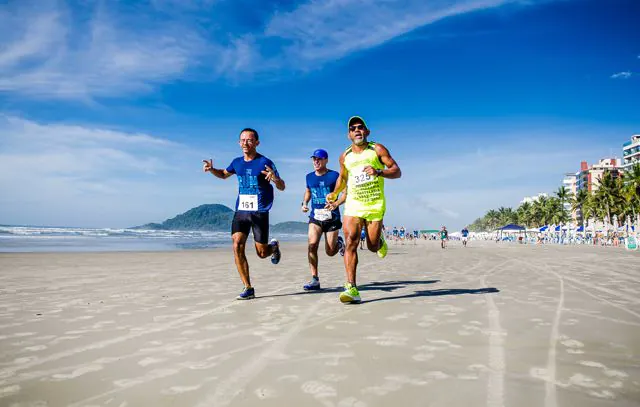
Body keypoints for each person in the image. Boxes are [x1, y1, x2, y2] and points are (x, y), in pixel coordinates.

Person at [202, 128, 285, 300]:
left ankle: (273, 247)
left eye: (249, 140)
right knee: (237, 244)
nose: (245, 143)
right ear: (239, 143)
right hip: (241, 211)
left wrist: (275, 178)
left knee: (261, 253)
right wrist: (212, 170)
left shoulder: (265, 162)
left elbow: (282, 186)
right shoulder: (237, 162)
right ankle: (248, 287)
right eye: (242, 140)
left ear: (257, 143)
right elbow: (224, 175)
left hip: (259, 211)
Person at [326, 116, 401, 304]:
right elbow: (342, 178)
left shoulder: (377, 149)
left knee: (372, 246)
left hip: (374, 204)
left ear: (367, 132)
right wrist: (335, 193)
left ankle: (379, 240)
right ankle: (351, 287)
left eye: (360, 127)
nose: (357, 130)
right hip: (354, 204)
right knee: (351, 240)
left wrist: (378, 172)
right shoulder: (345, 156)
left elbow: (396, 171)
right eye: (353, 128)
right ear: (349, 134)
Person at [301, 149, 346, 291]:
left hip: (332, 218)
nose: (316, 161)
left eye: (319, 159)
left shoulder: (334, 176)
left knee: (330, 252)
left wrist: (336, 204)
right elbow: (308, 191)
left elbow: (345, 193)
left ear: (326, 160)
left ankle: (338, 243)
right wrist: (304, 203)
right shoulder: (309, 177)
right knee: (312, 245)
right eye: (314, 159)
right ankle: (315, 279)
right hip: (315, 217)